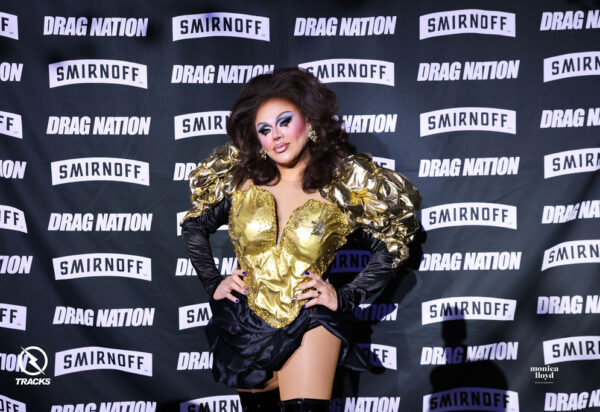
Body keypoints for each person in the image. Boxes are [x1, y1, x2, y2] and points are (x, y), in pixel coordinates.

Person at [180, 67, 421, 411]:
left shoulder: (341, 189)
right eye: (264, 129)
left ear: (309, 122)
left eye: (284, 121)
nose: (276, 135)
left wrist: (346, 296)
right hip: (244, 323)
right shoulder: (240, 184)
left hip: (309, 319)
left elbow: (392, 242)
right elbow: (194, 226)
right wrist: (212, 281)